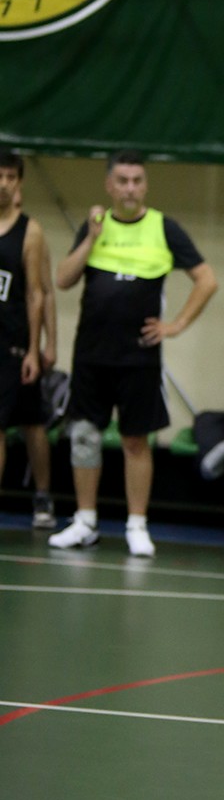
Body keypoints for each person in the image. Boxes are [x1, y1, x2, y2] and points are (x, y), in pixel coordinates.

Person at [49, 151, 218, 557]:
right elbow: (63, 279)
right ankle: (85, 521)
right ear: (109, 185)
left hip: (139, 357)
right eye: (122, 181)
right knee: (84, 435)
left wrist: (176, 325)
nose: (129, 188)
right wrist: (91, 238)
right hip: (91, 354)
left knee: (136, 440)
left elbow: (207, 280)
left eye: (137, 181)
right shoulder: (95, 225)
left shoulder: (164, 227)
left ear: (145, 185)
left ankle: (137, 525)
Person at [0, 147, 54, 527]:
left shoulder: (29, 231)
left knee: (32, 424)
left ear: (19, 182)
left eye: (10, 177)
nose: (3, 184)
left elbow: (37, 293)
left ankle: (43, 494)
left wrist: (37, 349)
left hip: (13, 344)